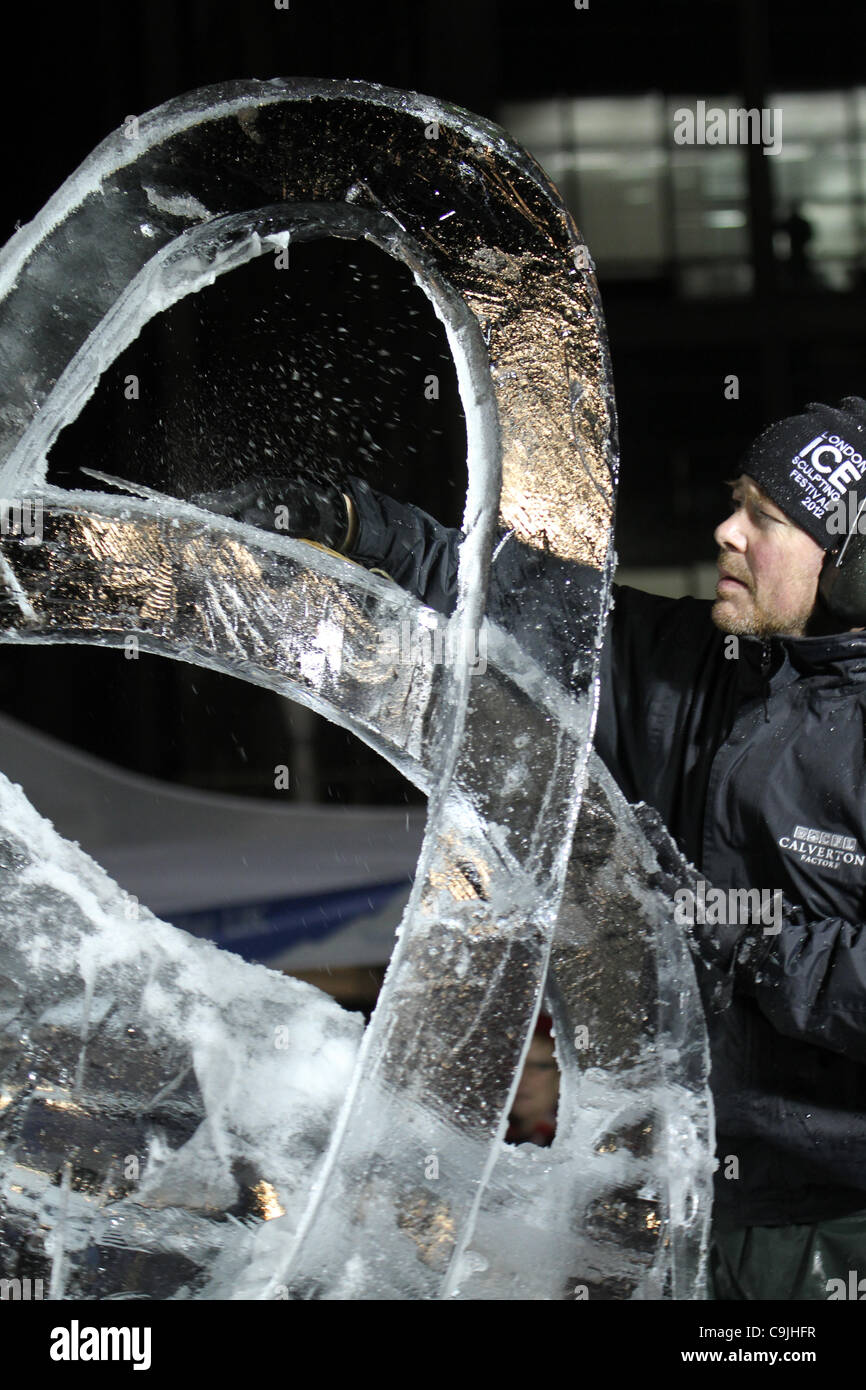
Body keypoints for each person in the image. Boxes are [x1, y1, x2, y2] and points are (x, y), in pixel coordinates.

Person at [195, 396, 866, 1301]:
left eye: (767, 517)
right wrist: (356, 524)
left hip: (832, 1231)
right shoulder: (694, 665)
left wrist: (745, 939)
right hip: (683, 1206)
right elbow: (523, 601)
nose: (727, 531)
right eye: (734, 501)